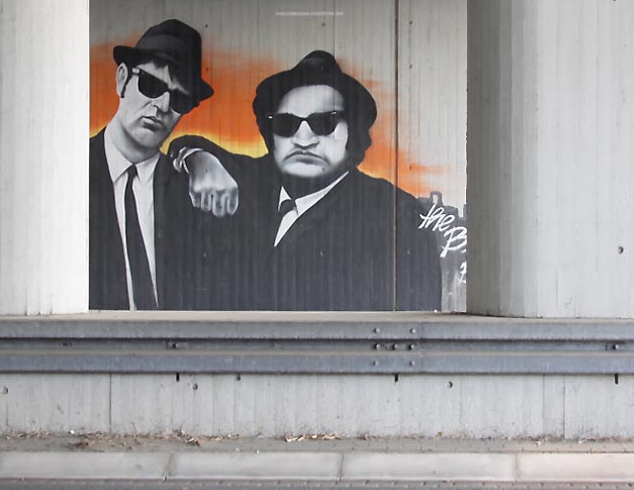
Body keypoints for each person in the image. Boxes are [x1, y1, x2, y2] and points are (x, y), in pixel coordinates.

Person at [172, 50, 441, 311]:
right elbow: (187, 144)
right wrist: (198, 159)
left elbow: (416, 320)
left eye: (324, 123)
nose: (303, 139)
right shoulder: (255, 180)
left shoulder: (395, 213)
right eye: (286, 124)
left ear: (353, 131)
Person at [89, 19, 229, 310]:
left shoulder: (191, 193)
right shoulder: (71, 174)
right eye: (151, 85)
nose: (163, 106)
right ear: (122, 79)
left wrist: (197, 156)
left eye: (179, 100)